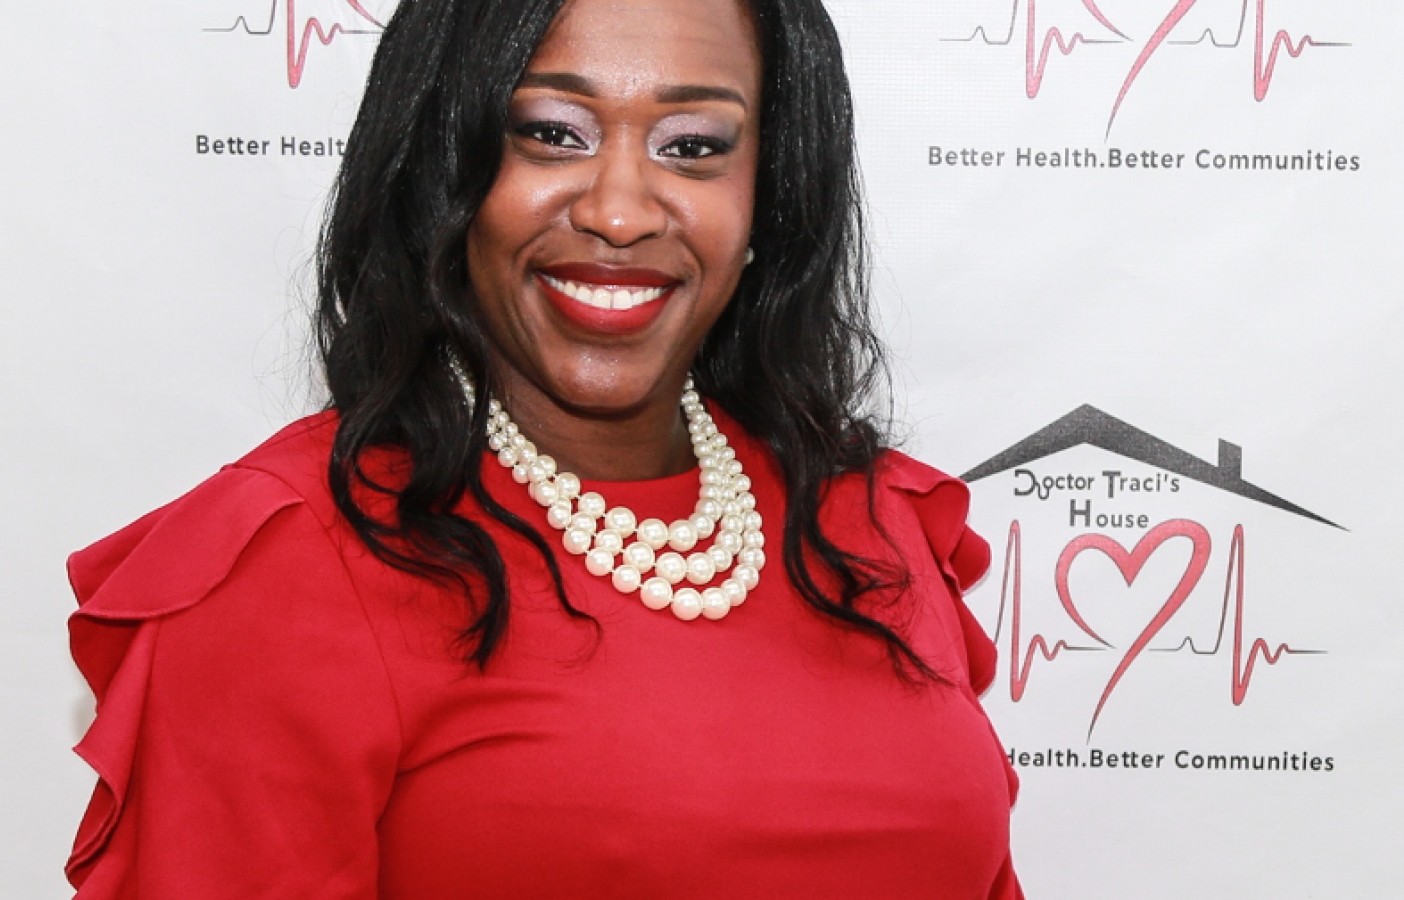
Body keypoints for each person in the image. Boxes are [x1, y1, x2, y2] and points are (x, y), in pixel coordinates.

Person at [64, 0, 1024, 896]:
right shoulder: (295, 559)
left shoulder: (870, 520)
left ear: (767, 197)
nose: (619, 209)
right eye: (551, 132)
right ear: (443, 169)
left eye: (693, 147)